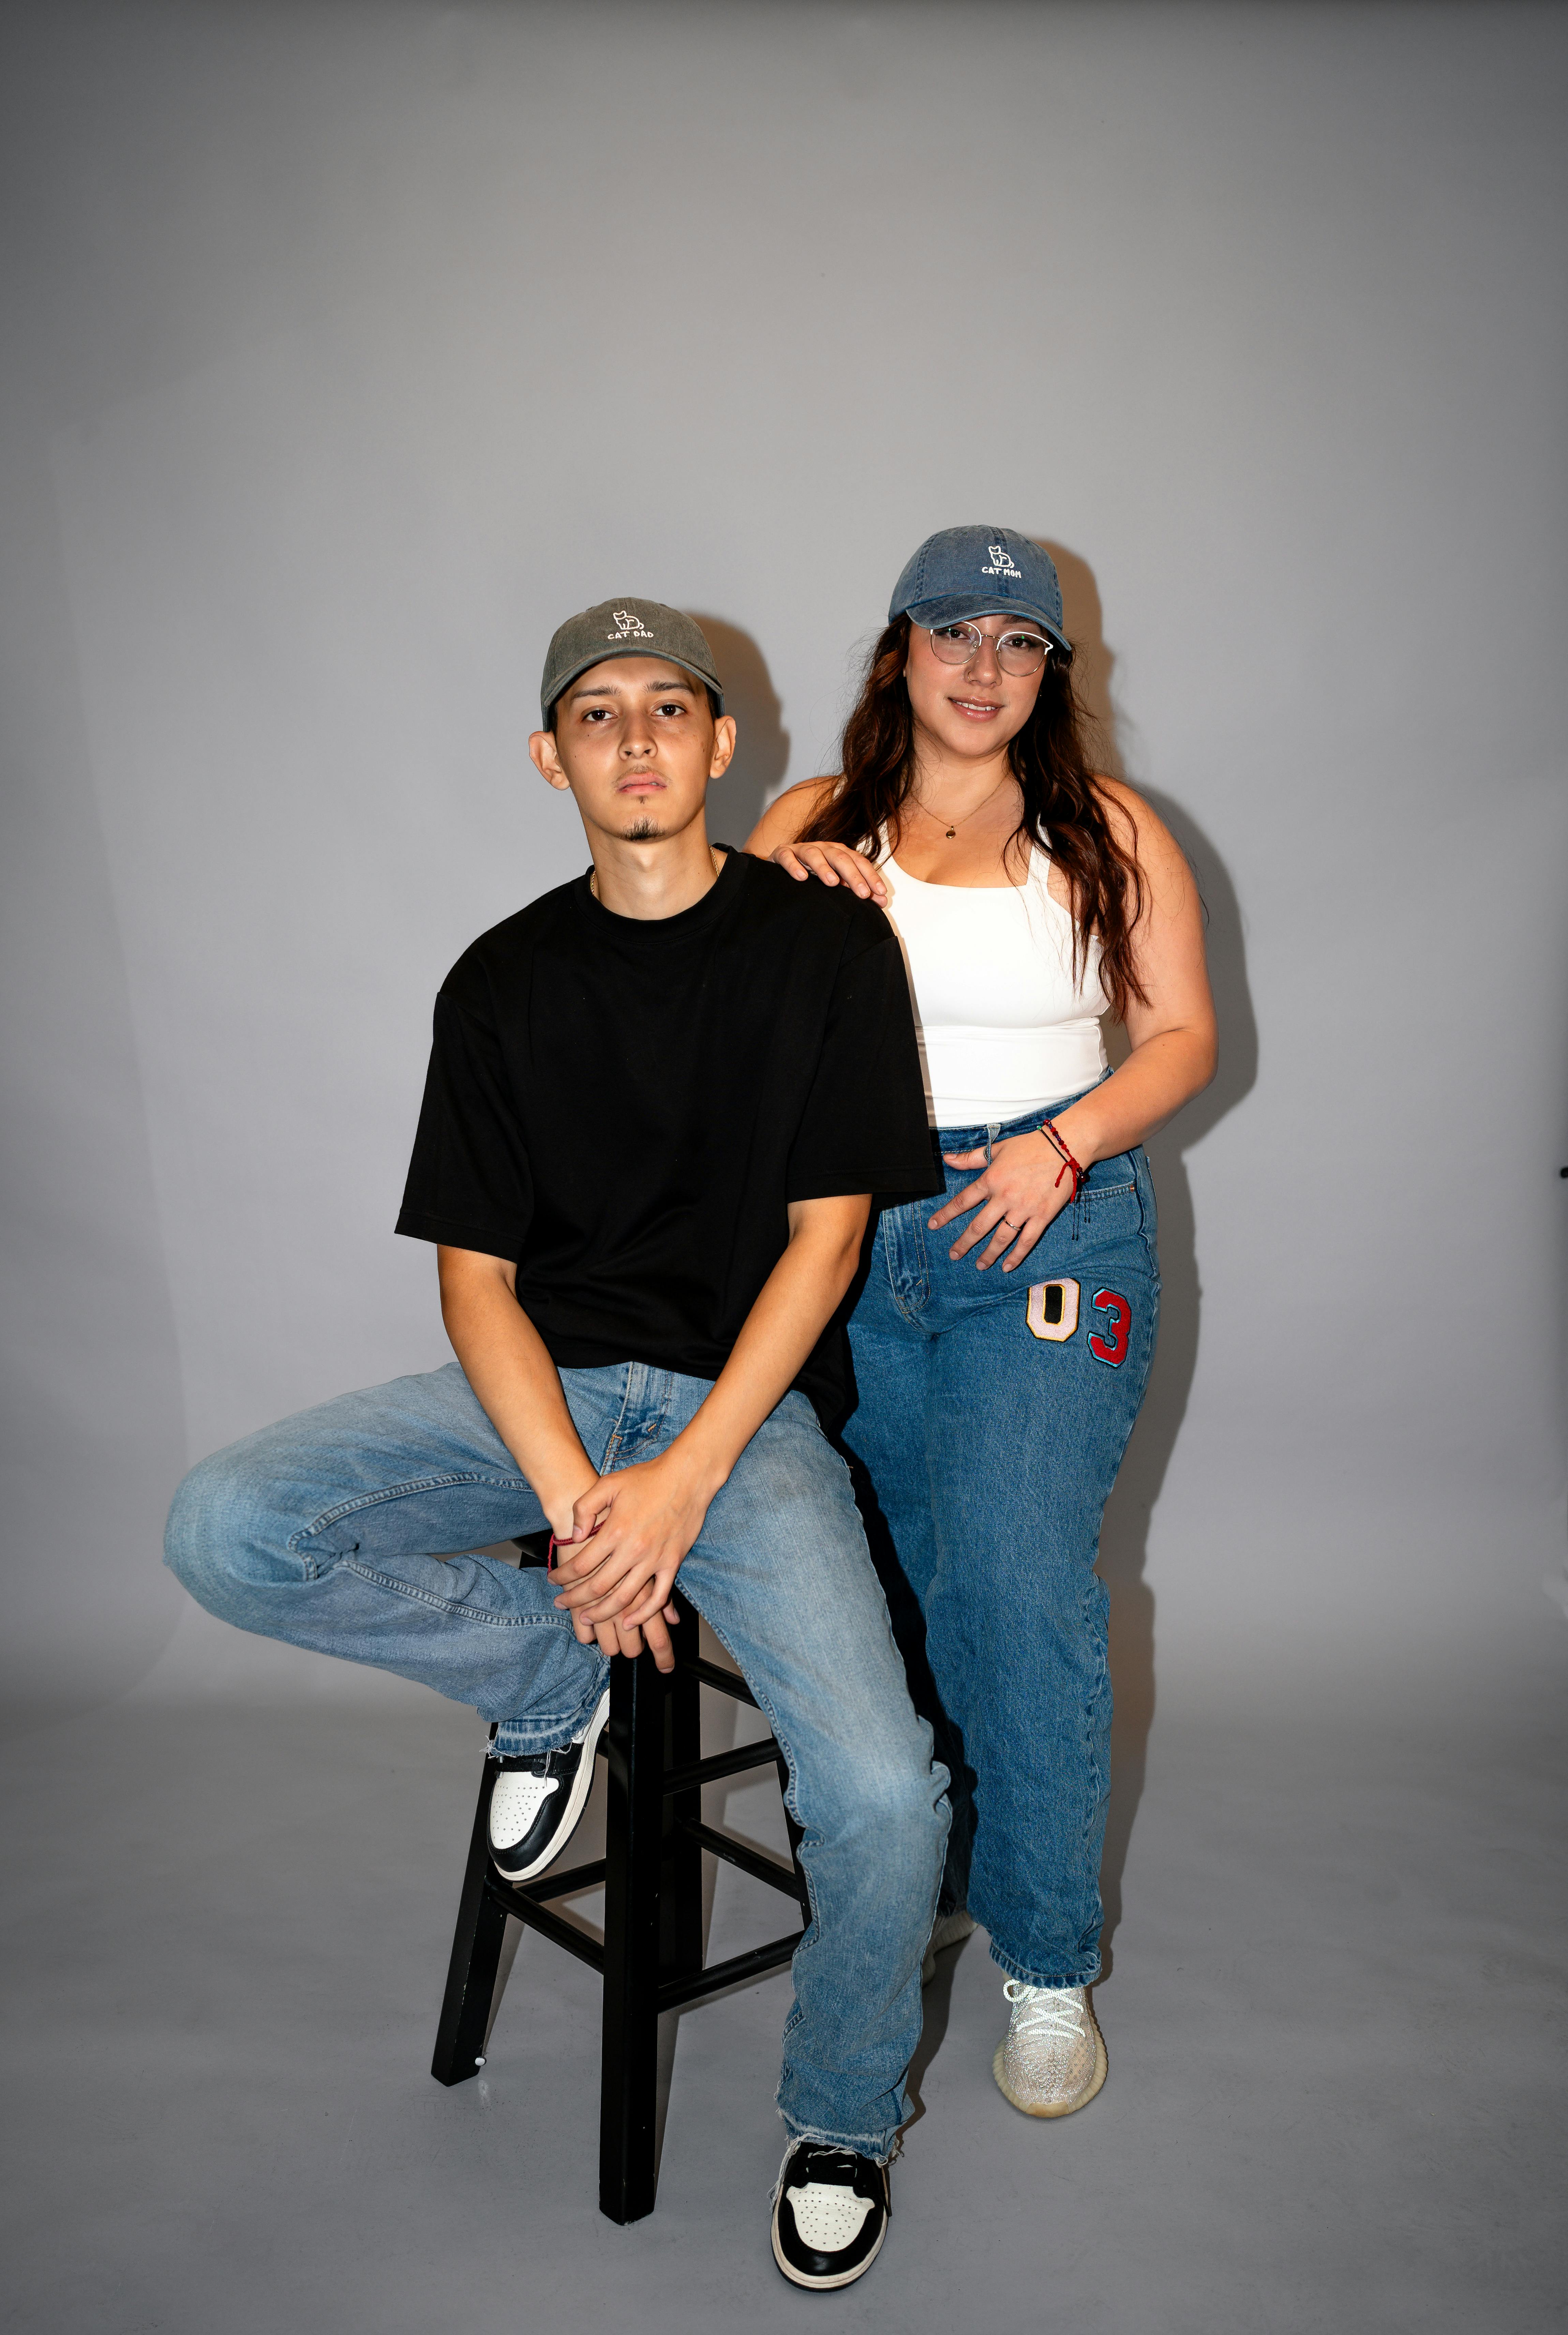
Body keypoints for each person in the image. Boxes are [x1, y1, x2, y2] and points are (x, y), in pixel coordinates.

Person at [164, 598, 951, 2293]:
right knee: (225, 1525)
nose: (642, 739)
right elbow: (476, 1279)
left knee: (887, 1789)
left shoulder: (818, 949)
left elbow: (821, 1245)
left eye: (673, 707)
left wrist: (670, 1488)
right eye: (600, 715)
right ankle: (543, 1677)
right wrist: (577, 1517)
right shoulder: (504, 980)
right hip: (541, 1389)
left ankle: (843, 2112)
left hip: (742, 1409)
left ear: (723, 744)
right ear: (553, 757)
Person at [746, 527, 1217, 2120]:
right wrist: (771, 899)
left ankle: (1042, 1959)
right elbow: (722, 1033)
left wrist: (1064, 1137)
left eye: (1020, 643)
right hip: (848, 1239)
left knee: (1018, 1589)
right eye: (953, 632)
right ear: (898, 651)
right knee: (894, 1579)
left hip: (1047, 1222)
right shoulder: (812, 819)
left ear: (1050, 675)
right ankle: (924, 1872)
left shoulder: (1109, 830)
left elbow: (1180, 1037)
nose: (982, 668)